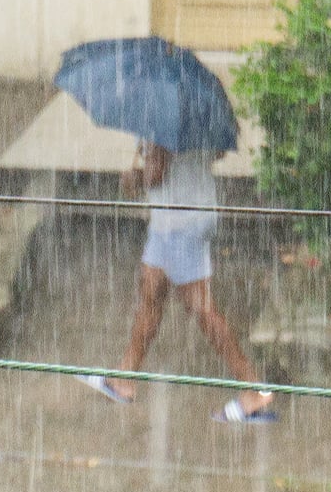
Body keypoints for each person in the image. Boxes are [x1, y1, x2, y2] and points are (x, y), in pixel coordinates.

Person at [76, 142, 277, 423]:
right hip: (183, 217)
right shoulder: (194, 116)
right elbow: (216, 152)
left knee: (201, 308)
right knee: (151, 293)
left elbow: (155, 174)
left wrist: (133, 179)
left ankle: (254, 389)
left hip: (179, 223)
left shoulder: (158, 120)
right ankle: (124, 378)